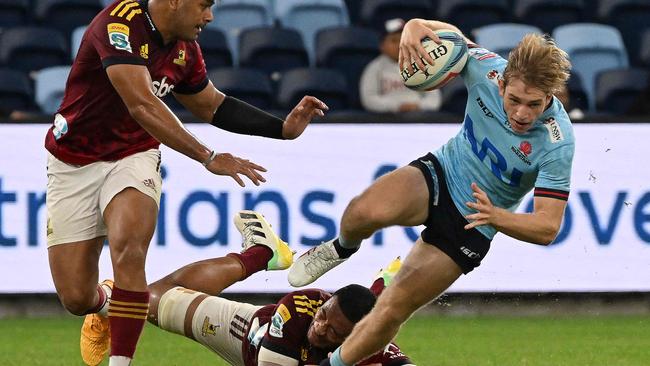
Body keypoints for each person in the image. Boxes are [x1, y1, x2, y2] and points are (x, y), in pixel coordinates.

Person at [43, 0, 327, 365]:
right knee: (76, 298)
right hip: (73, 161)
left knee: (129, 249)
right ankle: (105, 303)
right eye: (203, 6)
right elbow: (141, 104)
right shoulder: (119, 24)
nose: (209, 17)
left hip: (134, 153)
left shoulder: (184, 49)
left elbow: (211, 105)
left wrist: (281, 129)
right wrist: (208, 157)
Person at [288, 18, 575, 366]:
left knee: (391, 308)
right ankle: (339, 248)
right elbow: (448, 36)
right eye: (514, 99)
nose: (521, 113)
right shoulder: (486, 67)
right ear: (501, 83)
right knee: (362, 212)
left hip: (474, 223)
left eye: (534, 104)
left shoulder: (557, 142)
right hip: (441, 172)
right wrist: (413, 26)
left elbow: (547, 227)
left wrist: (496, 217)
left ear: (550, 96)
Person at [105, 210, 414, 365]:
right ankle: (261, 254)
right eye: (322, 317)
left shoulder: (374, 349)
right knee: (155, 300)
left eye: (333, 332)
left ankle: (383, 286)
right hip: (245, 333)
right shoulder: (299, 309)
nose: (320, 328)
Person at [359, 18, 442, 113]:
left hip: (418, 118)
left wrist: (419, 106)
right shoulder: (375, 67)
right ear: (382, 46)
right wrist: (396, 106)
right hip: (387, 119)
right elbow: (368, 99)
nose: (400, 44)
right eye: (394, 41)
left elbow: (434, 99)